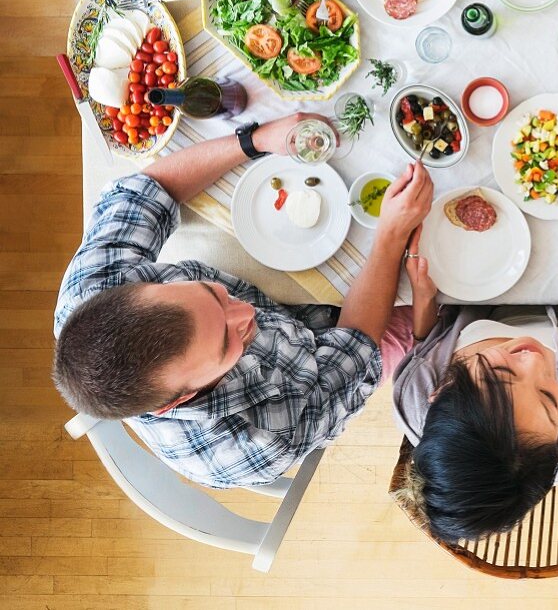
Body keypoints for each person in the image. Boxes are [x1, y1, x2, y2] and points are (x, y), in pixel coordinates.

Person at [53, 114, 434, 488]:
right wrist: (391, 234)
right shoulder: (264, 441)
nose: (246, 311)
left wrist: (257, 140)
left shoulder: (93, 288)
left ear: (131, 287)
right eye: (227, 342)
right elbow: (358, 344)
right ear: (183, 399)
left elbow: (151, 190)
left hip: (296, 305)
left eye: (211, 294)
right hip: (330, 347)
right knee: (443, 304)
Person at [391, 207, 558, 542]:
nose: (534, 359)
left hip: (478, 269)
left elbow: (426, 344)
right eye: (549, 397)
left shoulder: (413, 397)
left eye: (500, 373)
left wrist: (424, 298)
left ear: (440, 388)